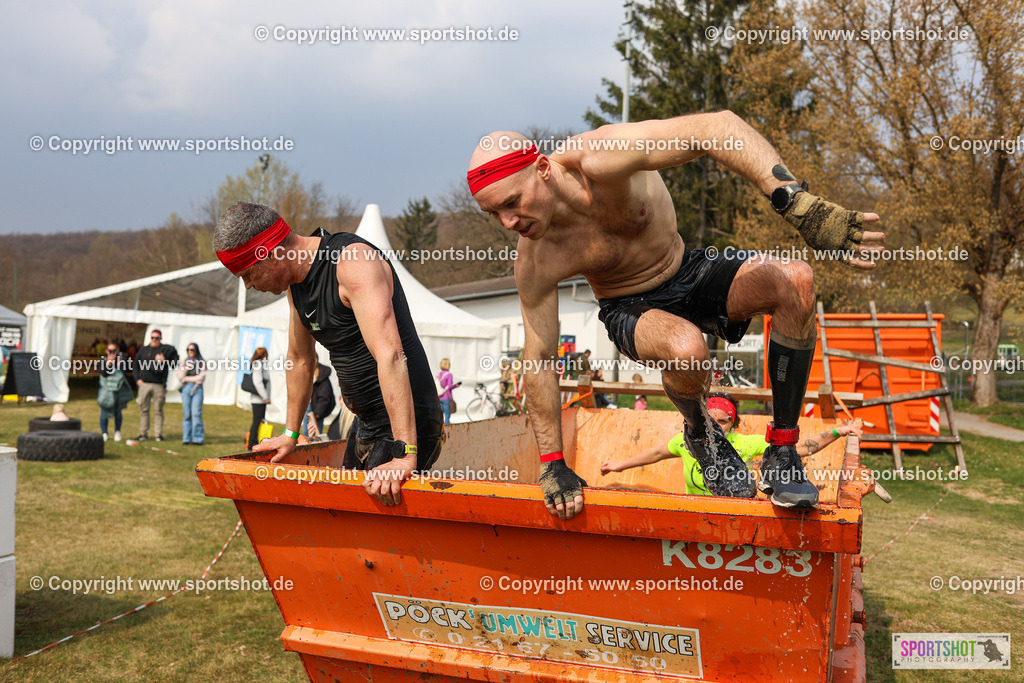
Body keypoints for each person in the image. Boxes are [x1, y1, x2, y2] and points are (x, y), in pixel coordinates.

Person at [468, 118, 884, 518]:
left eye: (511, 203)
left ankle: (783, 448)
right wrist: (552, 462)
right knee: (687, 349)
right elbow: (537, 355)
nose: (508, 223)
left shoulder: (601, 157)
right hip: (627, 306)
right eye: (493, 214)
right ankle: (699, 430)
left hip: (688, 268)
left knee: (796, 280)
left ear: (542, 169)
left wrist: (797, 204)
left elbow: (715, 128)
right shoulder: (536, 258)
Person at [213, 202, 444, 506]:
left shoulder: (352, 261)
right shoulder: (297, 287)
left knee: (371, 529)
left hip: (408, 422)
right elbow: (300, 360)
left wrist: (404, 452)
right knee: (343, 513)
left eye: (247, 275)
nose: (249, 286)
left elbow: (391, 355)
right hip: (367, 422)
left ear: (269, 254)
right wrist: (290, 433)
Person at [601, 393, 864, 495]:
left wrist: (837, 431)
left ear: (733, 424)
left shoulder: (745, 444)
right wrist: (619, 467)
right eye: (710, 421)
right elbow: (656, 453)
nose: (716, 427)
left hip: (733, 514)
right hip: (695, 513)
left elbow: (803, 447)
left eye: (723, 422)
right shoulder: (690, 442)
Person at [132, 329, 178, 442]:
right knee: (144, 410)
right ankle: (143, 434)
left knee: (158, 410)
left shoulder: (165, 350)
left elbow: (175, 362)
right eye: (152, 338)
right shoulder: (144, 350)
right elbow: (135, 365)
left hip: (158, 385)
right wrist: (137, 379)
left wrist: (164, 361)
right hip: (144, 384)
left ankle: (158, 435)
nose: (154, 340)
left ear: (160, 338)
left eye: (157, 338)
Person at [97, 344, 131, 441]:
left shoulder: (122, 360)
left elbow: (124, 372)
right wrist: (109, 364)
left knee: (118, 411)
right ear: (106, 351)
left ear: (118, 350)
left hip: (118, 390)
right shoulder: (102, 361)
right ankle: (104, 433)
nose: (112, 353)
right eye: (110, 351)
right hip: (106, 391)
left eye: (114, 351)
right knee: (104, 411)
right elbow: (103, 372)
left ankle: (117, 432)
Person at [176, 342, 207, 445]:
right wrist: (186, 369)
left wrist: (186, 378)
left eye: (192, 349)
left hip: (197, 389)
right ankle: (186, 438)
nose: (190, 351)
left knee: (196, 413)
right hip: (186, 389)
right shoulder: (184, 362)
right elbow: (180, 377)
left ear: (196, 350)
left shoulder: (201, 362)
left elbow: (201, 378)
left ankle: (197, 438)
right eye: (189, 349)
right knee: (187, 414)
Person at [302, 362, 336, 439]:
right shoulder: (308, 374)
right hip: (308, 406)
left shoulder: (322, 377)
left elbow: (325, 397)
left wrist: (318, 413)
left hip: (316, 409)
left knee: (316, 435)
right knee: (307, 433)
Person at [247, 347, 271, 449]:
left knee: (258, 421)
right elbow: (258, 382)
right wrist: (265, 396)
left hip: (259, 399)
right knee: (257, 421)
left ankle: (254, 442)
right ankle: (252, 443)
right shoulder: (258, 365)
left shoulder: (258, 364)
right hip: (259, 400)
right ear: (264, 355)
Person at [437, 358, 456, 425]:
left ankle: (440, 429)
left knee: (440, 415)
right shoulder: (449, 375)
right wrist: (456, 386)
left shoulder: (439, 375)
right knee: (447, 415)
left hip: (439, 397)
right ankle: (447, 428)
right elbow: (449, 386)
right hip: (447, 397)